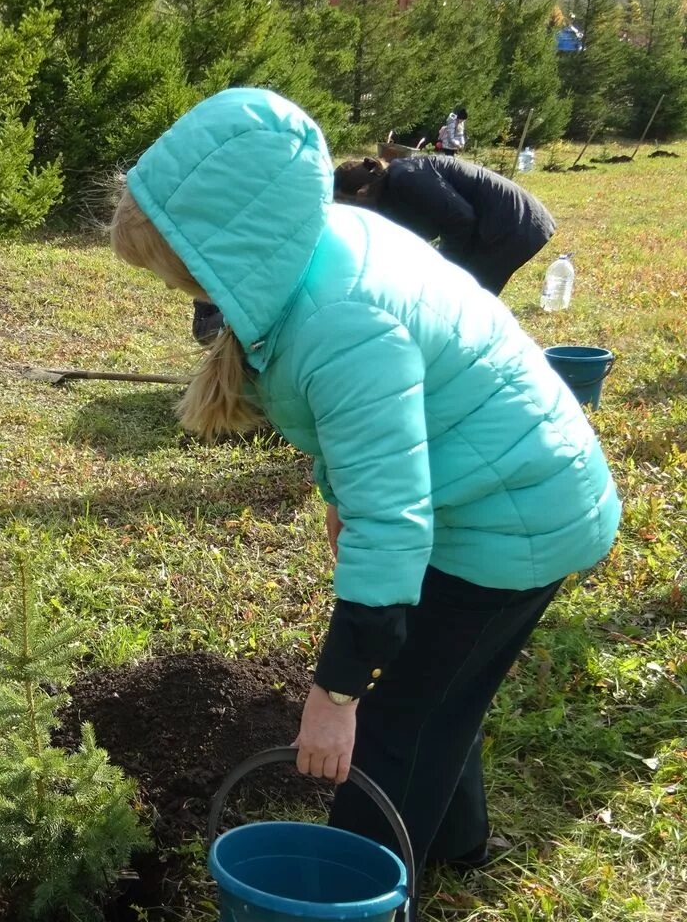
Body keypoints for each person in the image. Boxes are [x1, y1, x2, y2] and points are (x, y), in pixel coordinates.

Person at [110, 88, 620, 875]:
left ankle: (351, 884)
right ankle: (456, 846)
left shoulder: (340, 322)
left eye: (187, 273)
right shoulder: (324, 241)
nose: (191, 293)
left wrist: (335, 695)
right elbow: (359, 436)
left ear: (236, 245)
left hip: (515, 515)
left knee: (394, 726)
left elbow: (393, 523)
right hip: (504, 481)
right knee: (445, 689)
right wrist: (337, 495)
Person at [333, 154, 556, 297]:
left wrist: (445, 269)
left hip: (512, 223)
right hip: (499, 225)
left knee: (467, 302)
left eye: (347, 203)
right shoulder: (389, 194)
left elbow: (461, 218)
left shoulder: (405, 177)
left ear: (362, 193)